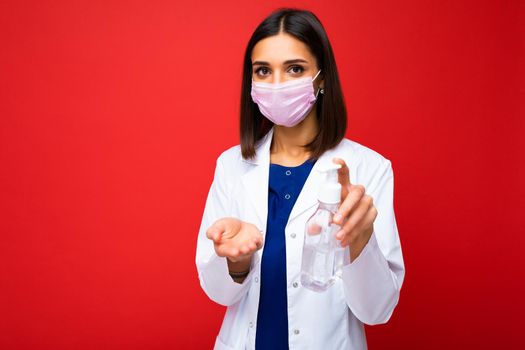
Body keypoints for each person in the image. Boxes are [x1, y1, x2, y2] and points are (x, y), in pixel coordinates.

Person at [195, 7, 405, 350]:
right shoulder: (231, 166)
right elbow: (218, 293)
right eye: (263, 70)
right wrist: (236, 261)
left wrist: (361, 240)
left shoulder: (369, 168)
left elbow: (377, 310)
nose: (277, 84)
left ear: (321, 77)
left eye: (295, 69)